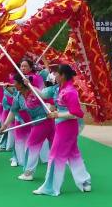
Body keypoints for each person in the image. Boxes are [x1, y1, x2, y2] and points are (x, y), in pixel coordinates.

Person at [32, 64, 91, 196]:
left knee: (54, 156)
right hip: (62, 127)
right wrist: (28, 85)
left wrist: (57, 114)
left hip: (67, 128)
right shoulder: (58, 89)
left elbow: (76, 113)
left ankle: (50, 187)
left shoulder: (70, 91)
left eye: (56, 73)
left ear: (63, 75)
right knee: (73, 154)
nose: (54, 75)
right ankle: (85, 181)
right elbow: (42, 94)